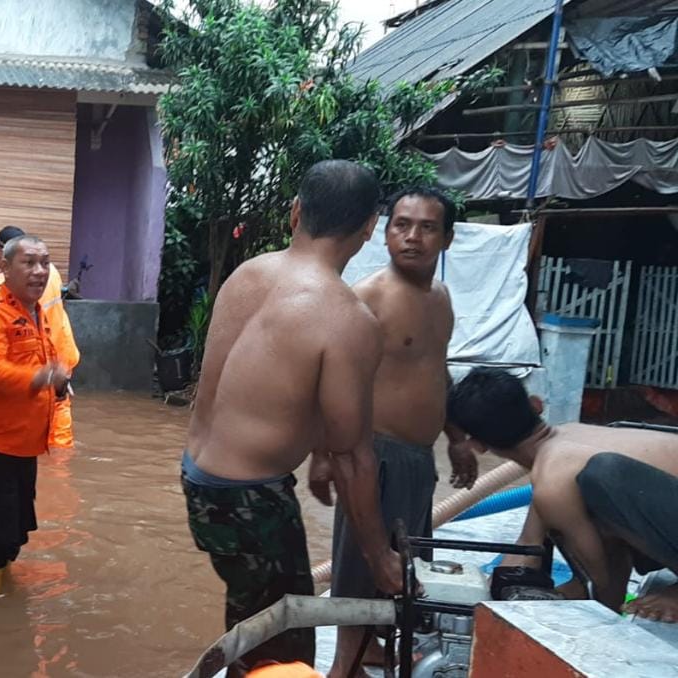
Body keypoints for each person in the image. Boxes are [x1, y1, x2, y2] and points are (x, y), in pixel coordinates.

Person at [182, 160, 403, 670]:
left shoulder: (249, 272)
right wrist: (378, 557)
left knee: (250, 619)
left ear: (296, 211)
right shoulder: (348, 319)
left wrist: (319, 452)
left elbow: (274, 385)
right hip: (252, 500)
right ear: (370, 228)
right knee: (284, 648)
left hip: (198, 481)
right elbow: (354, 459)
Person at [312, 187, 481, 675]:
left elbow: (435, 372)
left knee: (404, 570)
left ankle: (375, 652)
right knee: (359, 573)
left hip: (417, 458)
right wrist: (323, 455)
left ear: (447, 239)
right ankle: (343, 667)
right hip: (372, 455)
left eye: (427, 227)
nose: (412, 237)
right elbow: (329, 378)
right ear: (384, 235)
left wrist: (456, 436)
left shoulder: (442, 300)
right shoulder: (367, 297)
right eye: (401, 225)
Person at [448, 368, 678, 623]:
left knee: (597, 493)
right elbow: (528, 544)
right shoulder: (565, 441)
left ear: (478, 446)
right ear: (536, 405)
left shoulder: (555, 477)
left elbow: (597, 582)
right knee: (596, 520)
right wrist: (489, 597)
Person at [0, 235, 72, 596]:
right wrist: (40, 378)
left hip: (22, 448)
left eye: (45, 263)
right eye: (29, 262)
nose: (39, 271)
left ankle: (2, 603)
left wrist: (56, 386)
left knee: (14, 536)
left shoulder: (36, 313)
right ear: (4, 267)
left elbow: (39, 364)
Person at [0, 225, 81, 450]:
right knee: (57, 429)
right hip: (60, 360)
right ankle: (57, 475)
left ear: (4, 254)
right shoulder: (51, 272)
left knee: (28, 431)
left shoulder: (2, 290)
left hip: (35, 368)